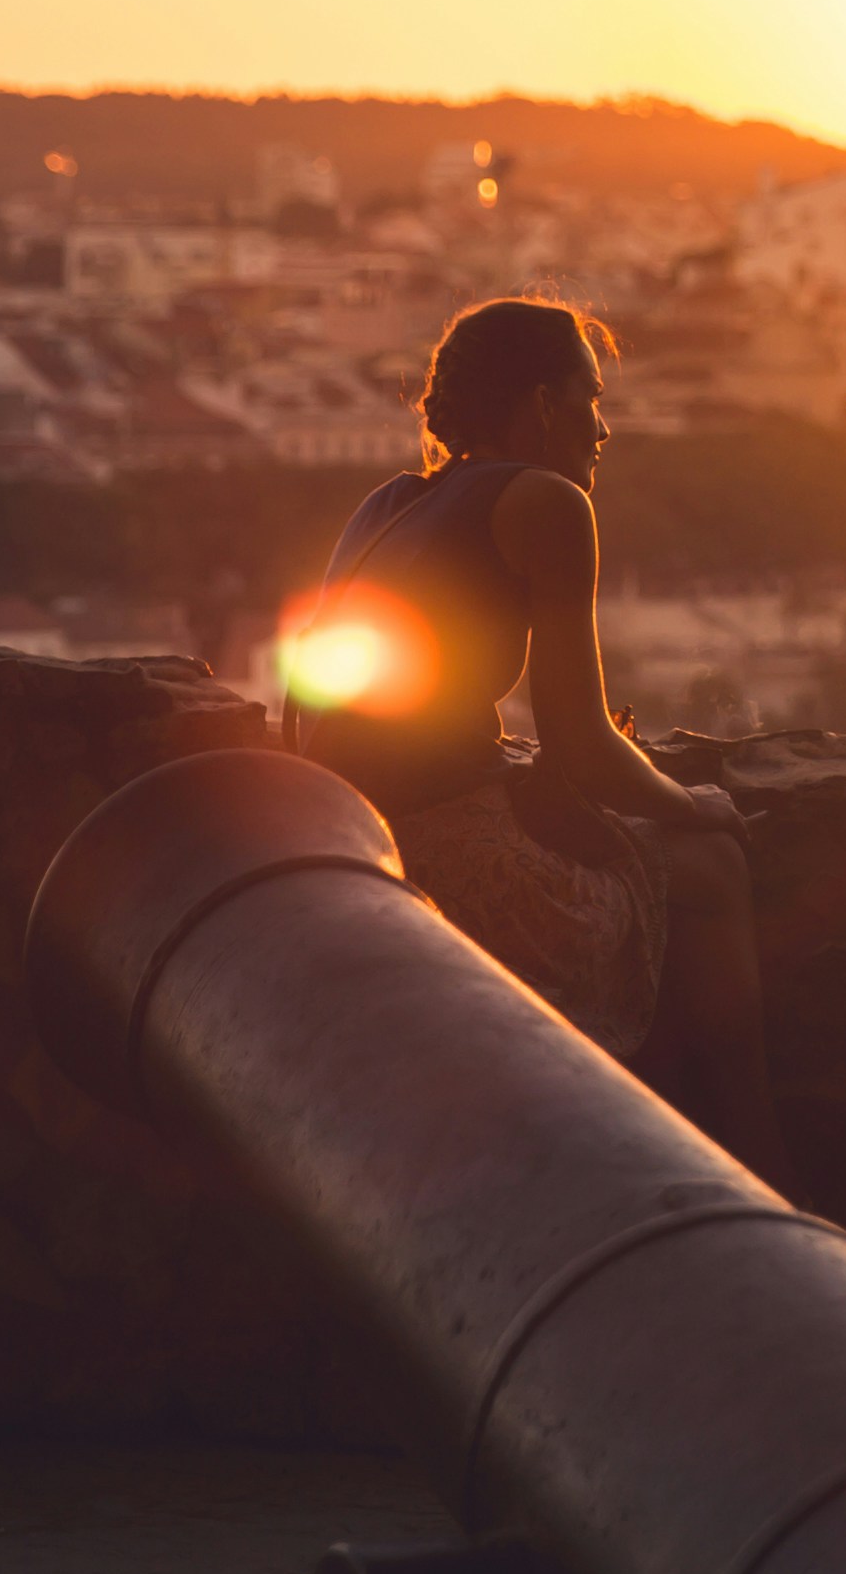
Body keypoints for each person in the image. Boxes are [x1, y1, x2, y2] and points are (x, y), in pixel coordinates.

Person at [288, 297, 777, 1168]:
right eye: (590, 399)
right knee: (711, 866)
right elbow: (583, 747)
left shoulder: (389, 503)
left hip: (351, 841)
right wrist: (697, 803)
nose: (604, 428)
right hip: (438, 856)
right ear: (545, 405)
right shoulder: (545, 502)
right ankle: (754, 1155)